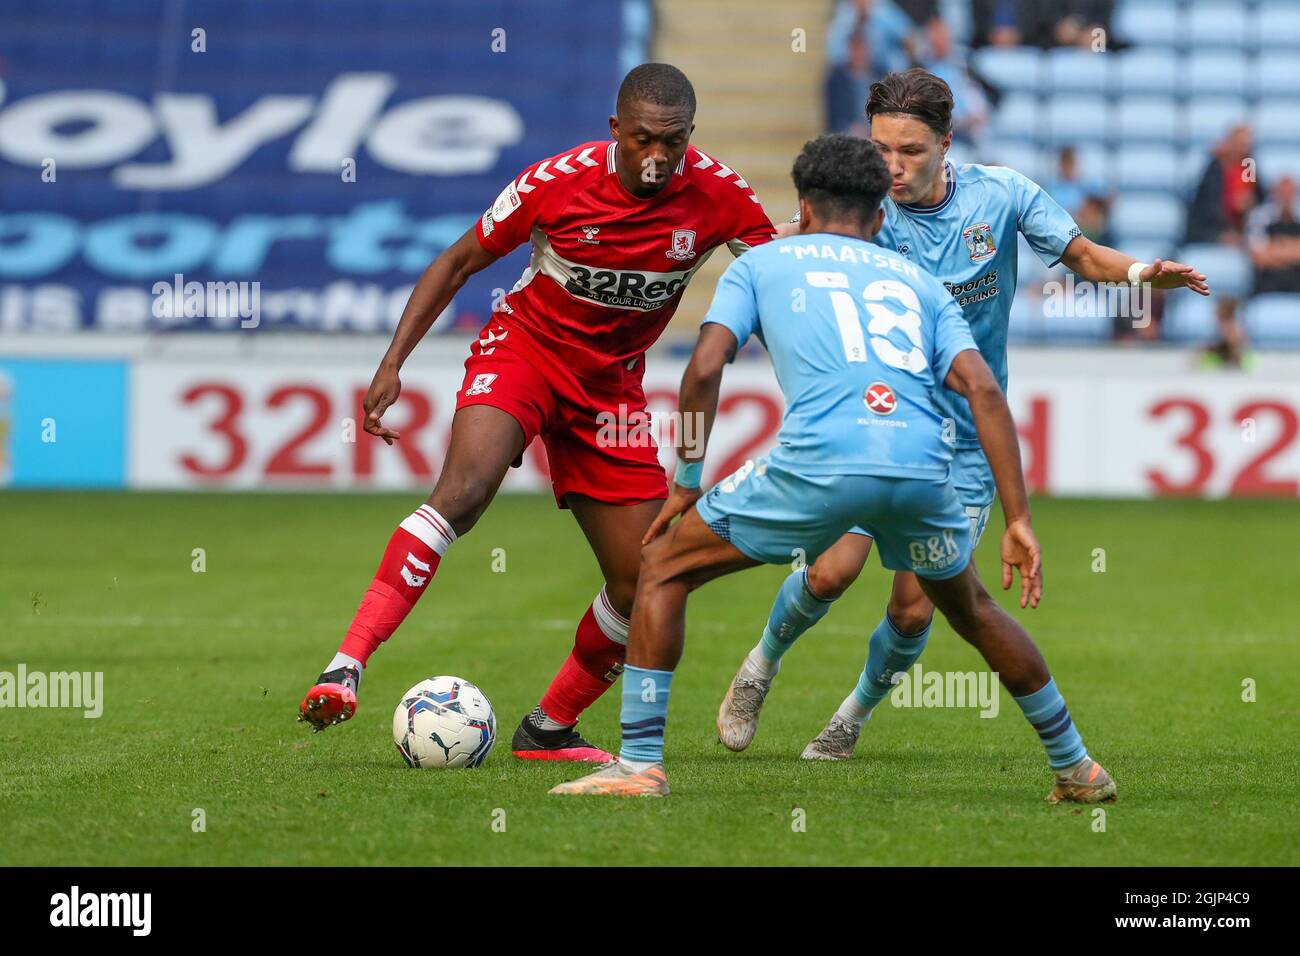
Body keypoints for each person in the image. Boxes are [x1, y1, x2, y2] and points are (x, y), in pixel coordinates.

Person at [550, 133, 1115, 802]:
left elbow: (704, 368)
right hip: (923, 466)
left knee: (662, 565)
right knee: (971, 609)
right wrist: (1018, 518)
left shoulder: (762, 263)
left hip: (821, 461)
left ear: (803, 208)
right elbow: (985, 392)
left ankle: (639, 765)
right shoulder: (921, 284)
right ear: (880, 218)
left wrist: (688, 478)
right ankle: (1077, 767)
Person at [716, 68, 1207, 763]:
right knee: (830, 573)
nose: (892, 165)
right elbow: (776, 248)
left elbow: (1084, 256)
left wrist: (1139, 276)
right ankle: (759, 669)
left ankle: (851, 716)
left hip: (968, 440)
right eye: (882, 147)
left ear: (948, 144)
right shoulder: (859, 208)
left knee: (915, 607)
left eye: (911, 150)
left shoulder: (1001, 195)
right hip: (880, 420)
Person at [296, 63, 776, 762]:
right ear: (616, 130)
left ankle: (546, 729)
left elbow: (784, 277)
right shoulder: (555, 181)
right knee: (462, 494)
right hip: (525, 352)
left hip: (611, 390)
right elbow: (459, 260)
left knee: (644, 577)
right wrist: (392, 362)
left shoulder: (721, 195)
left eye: (671, 144)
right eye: (642, 139)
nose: (656, 158)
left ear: (689, 137)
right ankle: (345, 668)